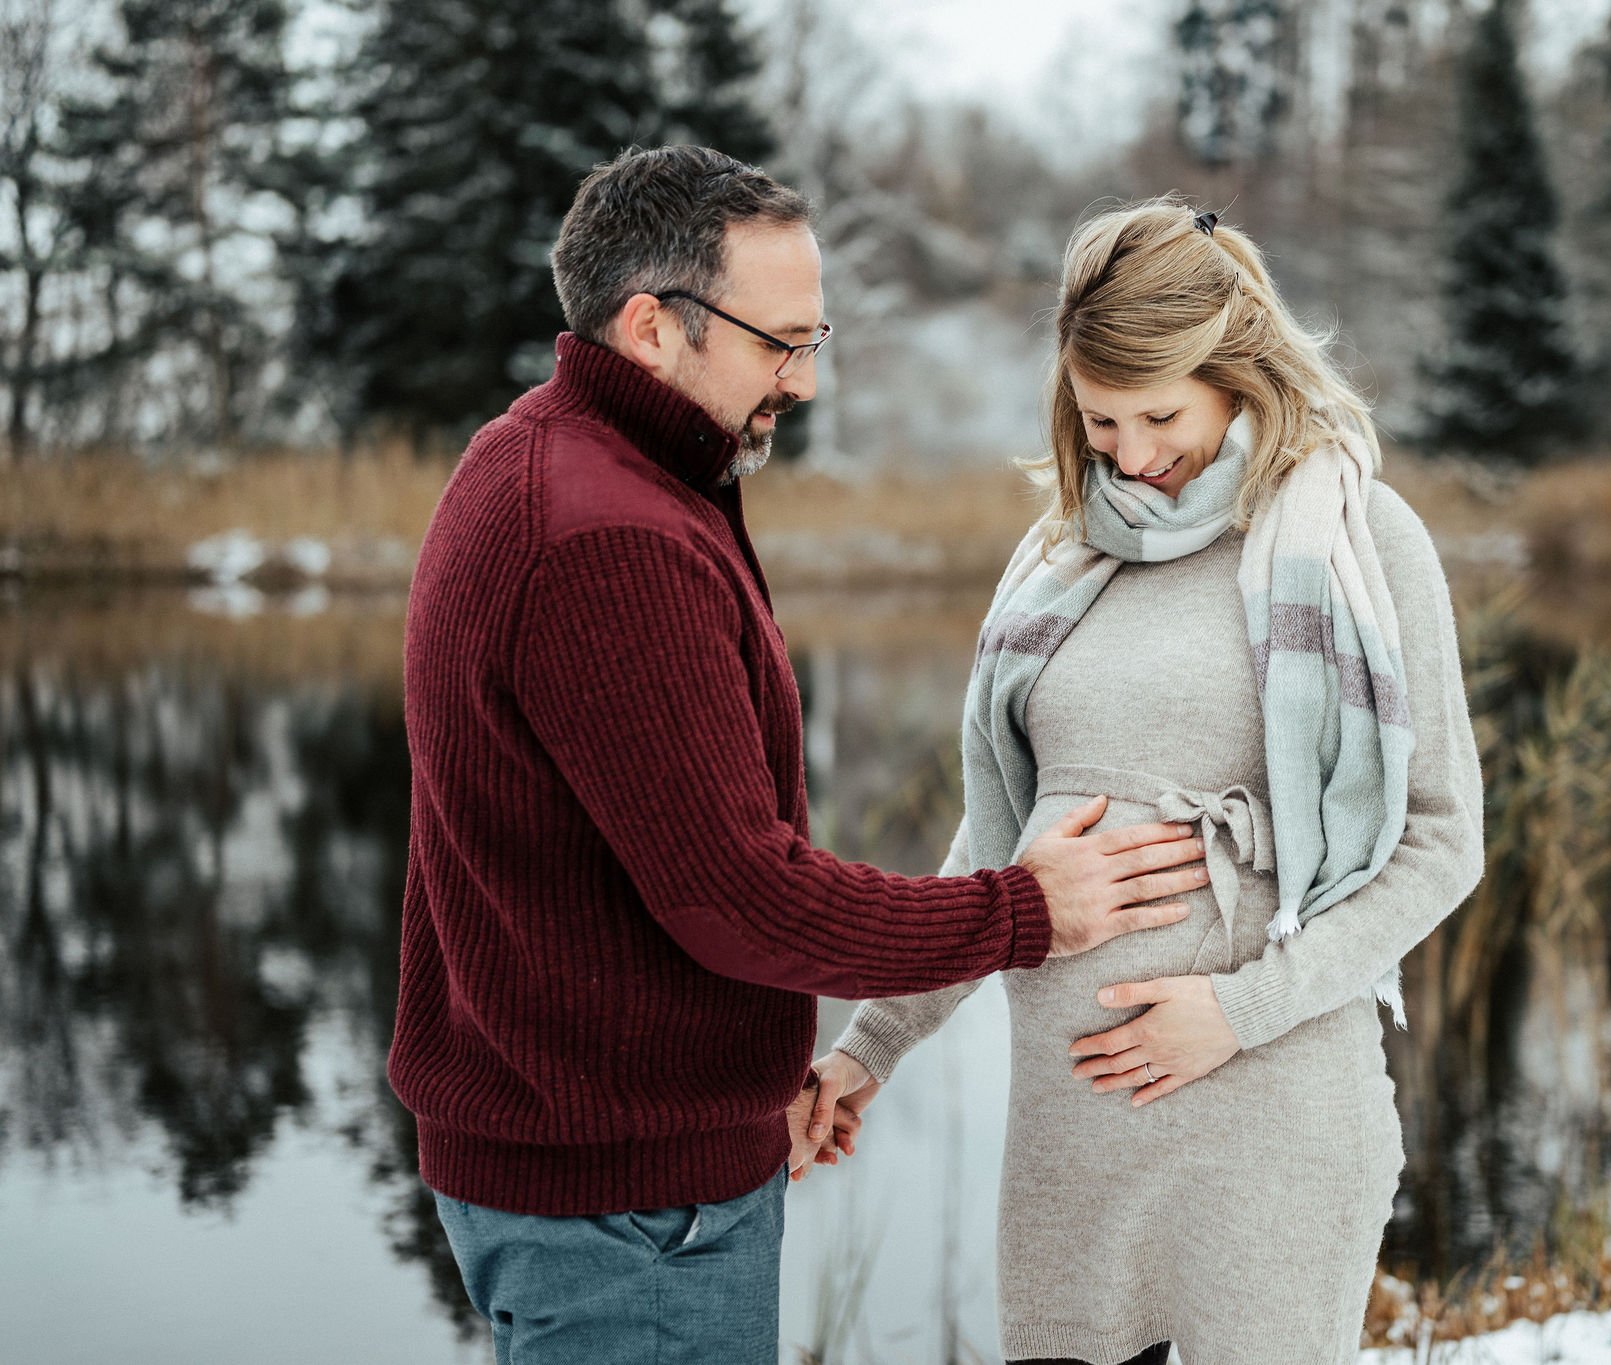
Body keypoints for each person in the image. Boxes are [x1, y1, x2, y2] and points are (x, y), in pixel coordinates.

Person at [387, 147, 1211, 1365]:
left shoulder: (543, 457)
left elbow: (634, 865)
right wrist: (1021, 911)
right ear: (652, 326)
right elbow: (741, 896)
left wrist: (742, 1077)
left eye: (813, 335)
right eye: (778, 341)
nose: (807, 380)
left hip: (595, 1165)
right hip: (624, 1214)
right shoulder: (607, 536)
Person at [801, 200, 1486, 1364]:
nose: (1127, 452)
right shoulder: (1058, 554)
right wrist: (872, 1044)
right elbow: (1000, 839)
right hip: (1071, 1132)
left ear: (1238, 372)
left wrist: (1237, 1013)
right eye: (1097, 416)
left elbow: (1438, 842)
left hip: (1269, 1108)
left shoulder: (1360, 538)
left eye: (1158, 413)